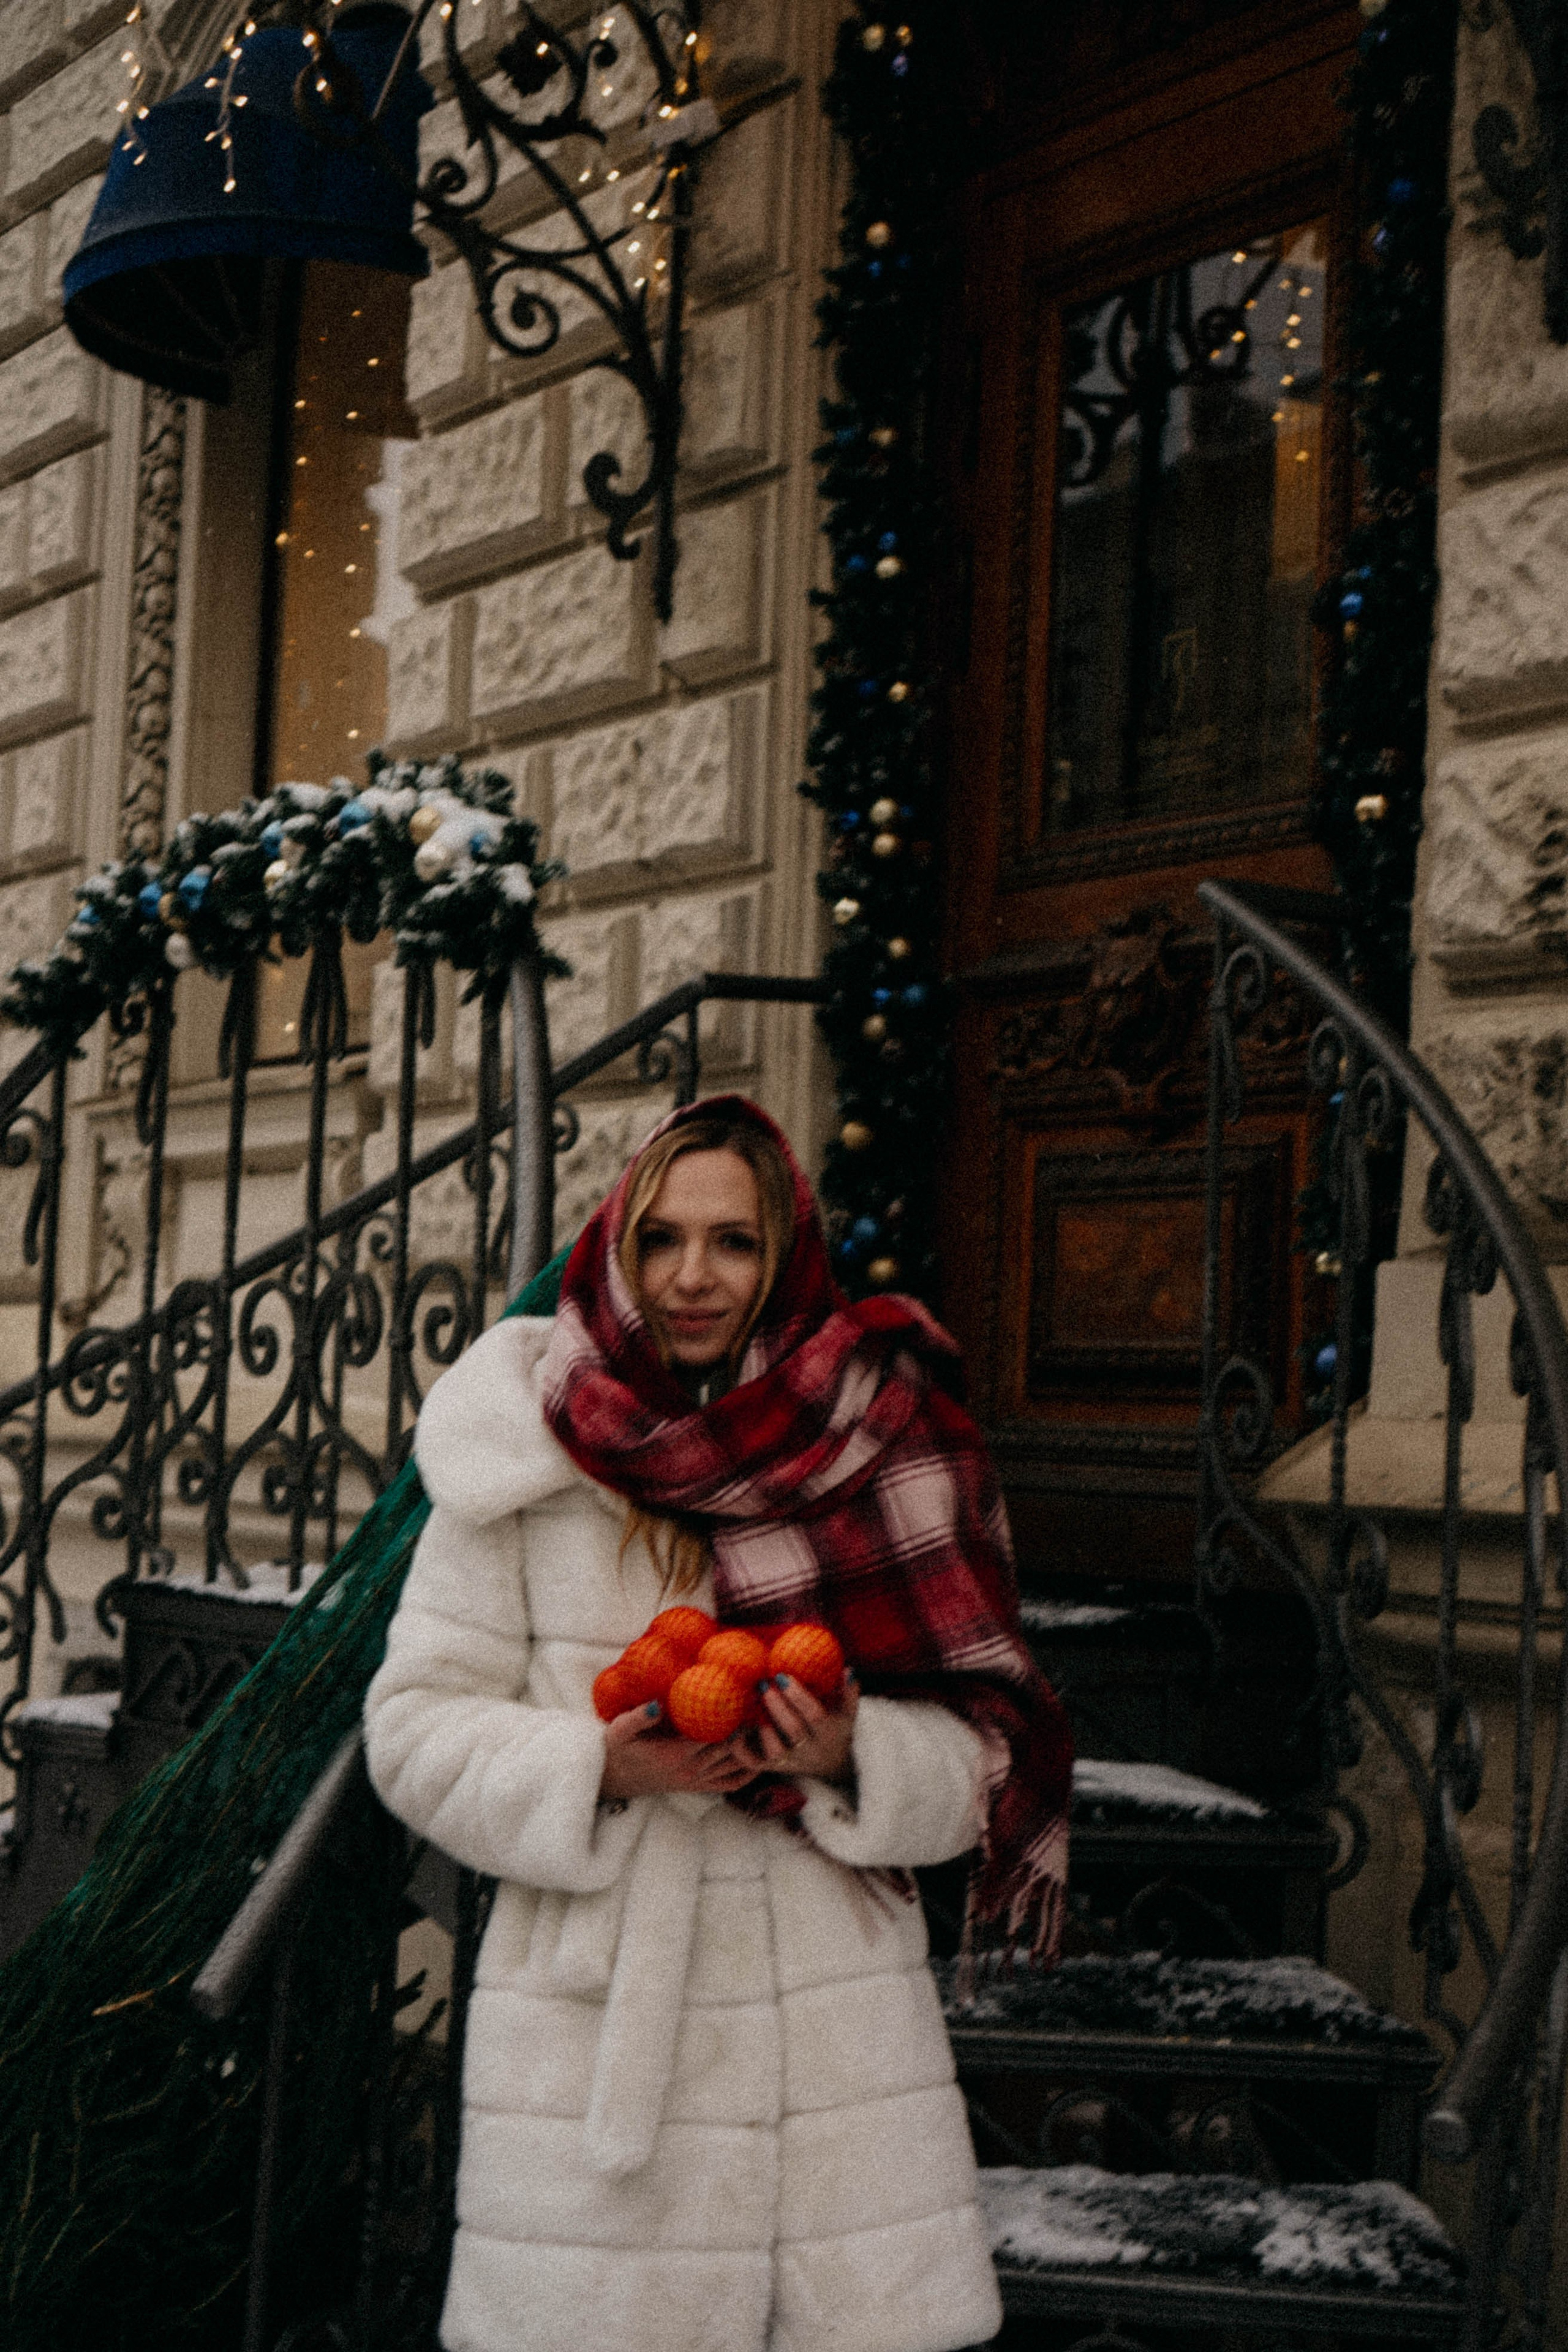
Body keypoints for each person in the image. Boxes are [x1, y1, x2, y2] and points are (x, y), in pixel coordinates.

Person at [363, 1095, 1072, 2352]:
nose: (693, 1276)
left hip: (833, 2041)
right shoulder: (525, 1460)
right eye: (663, 1240)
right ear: (616, 1251)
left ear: (785, 1256)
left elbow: (983, 1750)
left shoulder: (881, 1440)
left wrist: (852, 1754)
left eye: (734, 1242)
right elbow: (413, 1729)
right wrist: (596, 1768)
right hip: (598, 2037)